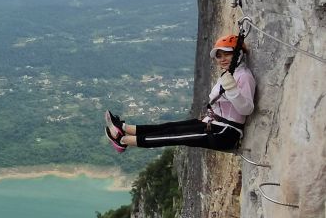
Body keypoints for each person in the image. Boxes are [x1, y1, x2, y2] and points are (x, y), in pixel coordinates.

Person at [105, 34, 255, 153]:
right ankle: (124, 128)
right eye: (219, 56)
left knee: (173, 137)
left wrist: (233, 90)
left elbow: (246, 109)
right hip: (213, 124)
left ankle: (123, 140)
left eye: (227, 54)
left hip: (225, 133)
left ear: (238, 54)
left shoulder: (244, 76)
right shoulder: (229, 74)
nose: (222, 59)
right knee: (170, 128)